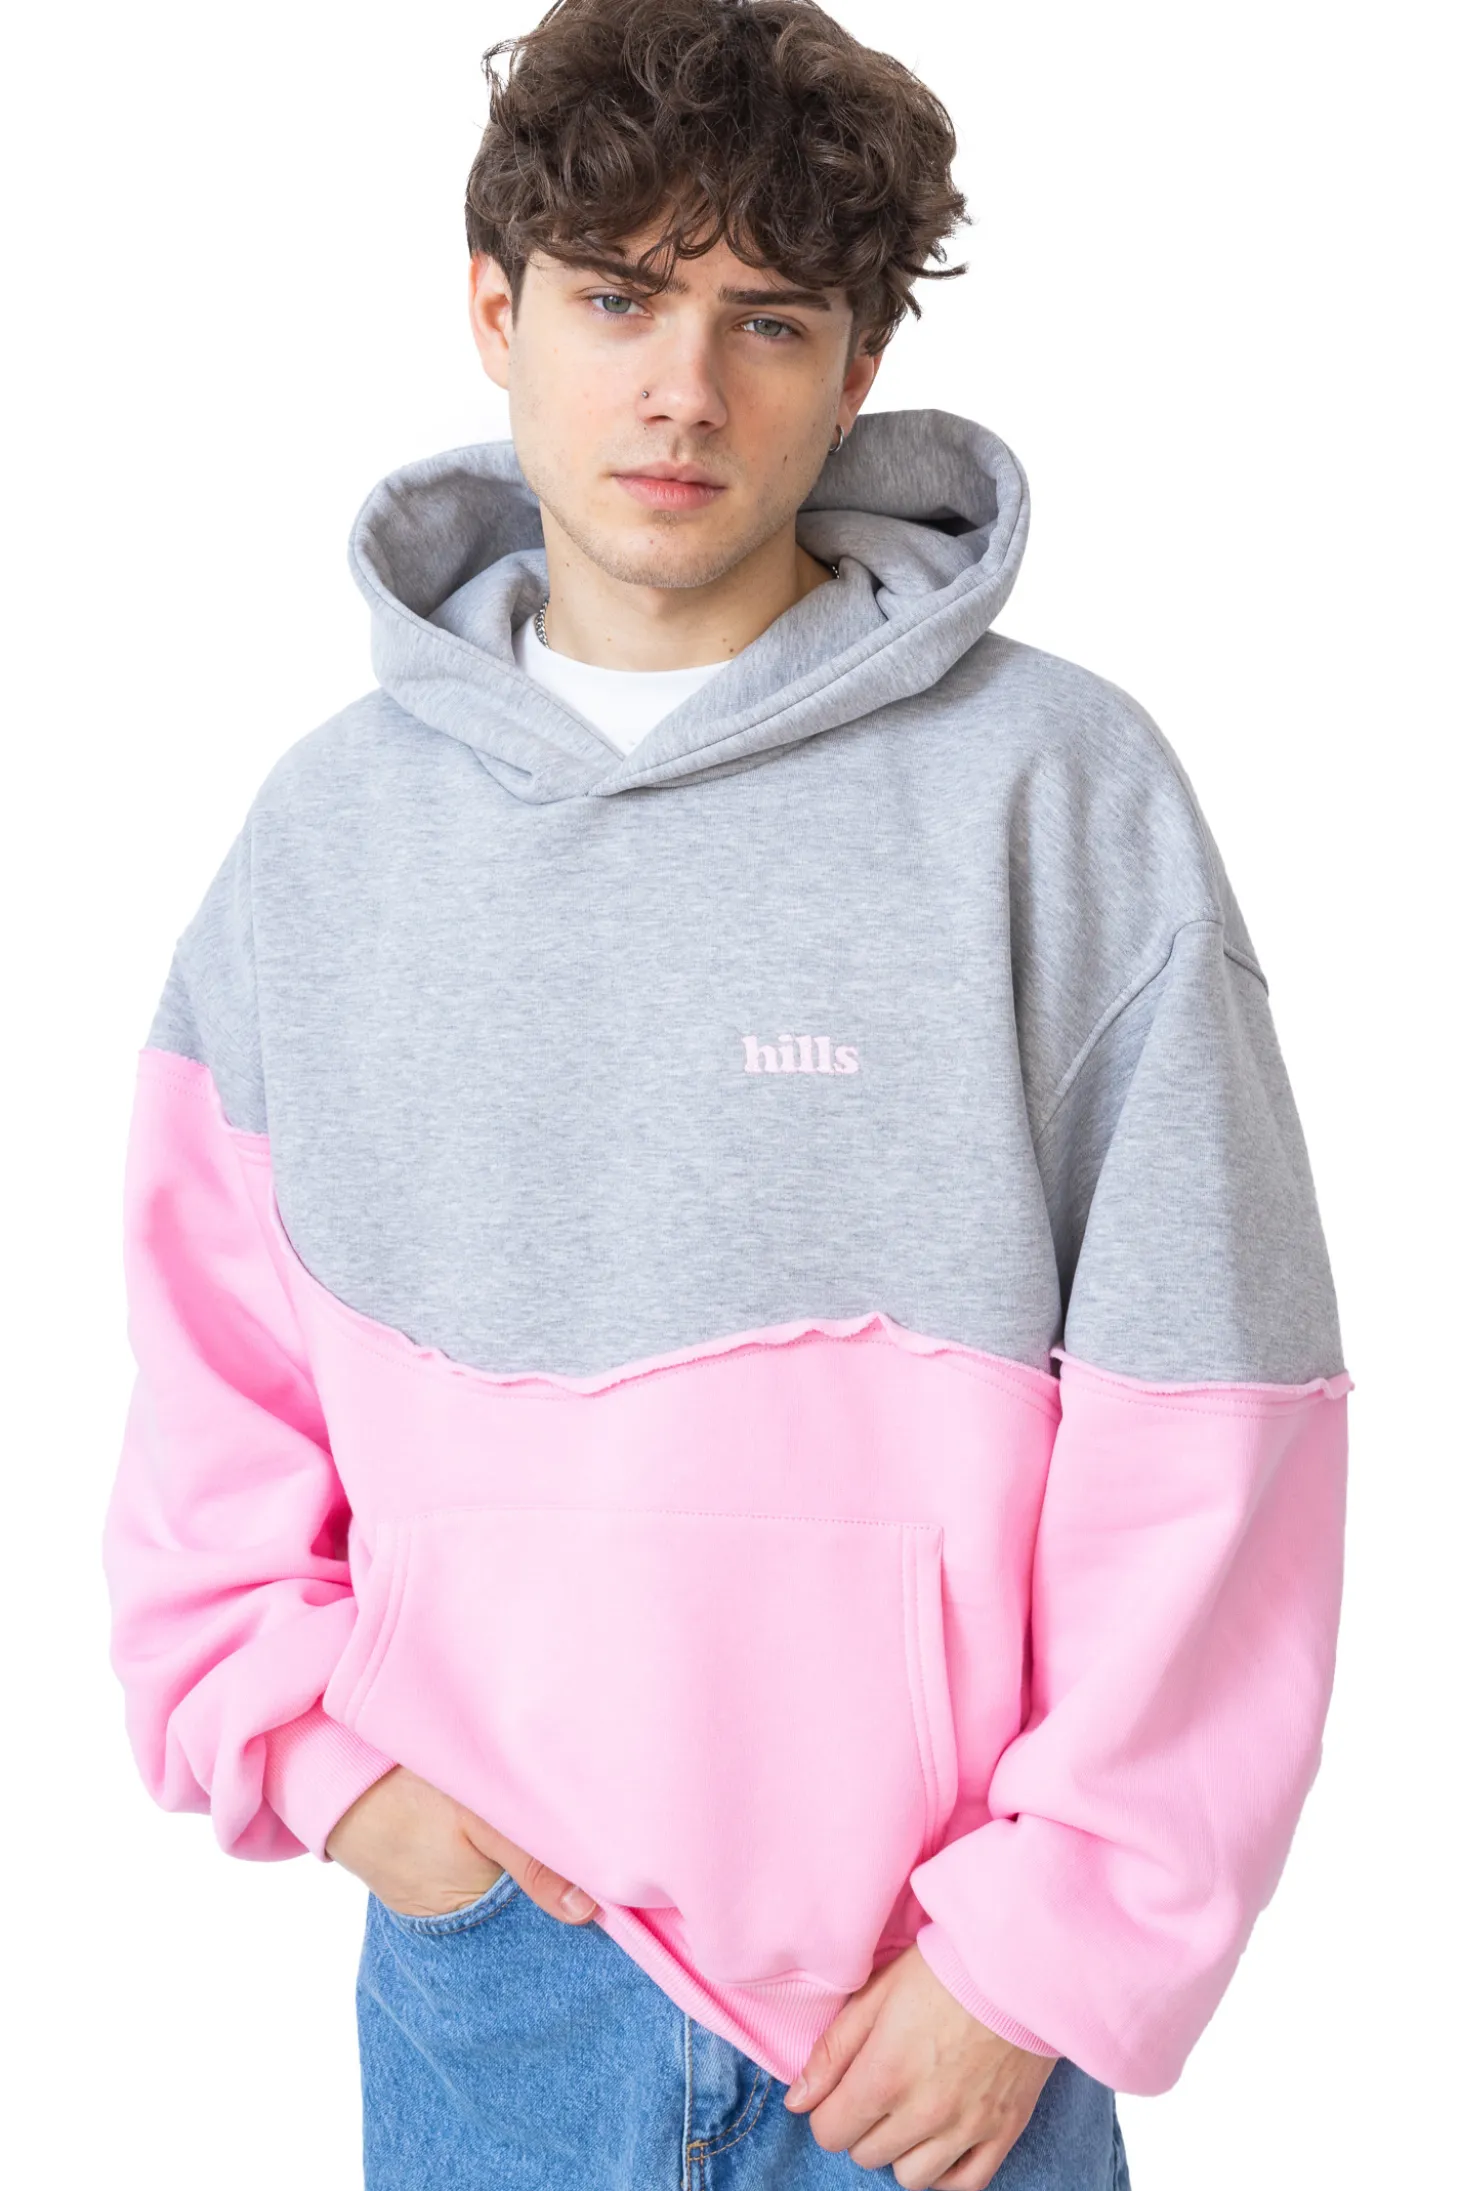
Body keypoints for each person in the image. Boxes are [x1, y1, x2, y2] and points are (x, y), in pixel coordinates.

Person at [100, 2, 1351, 2186]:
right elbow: (216, 1383)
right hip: (495, 1983)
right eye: (618, 298)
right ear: (494, 311)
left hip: (933, 2013)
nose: (685, 388)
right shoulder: (331, 837)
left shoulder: (1056, 797)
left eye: (767, 320)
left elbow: (1218, 1415)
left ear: (857, 372)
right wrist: (323, 1765)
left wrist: (1041, 1949)